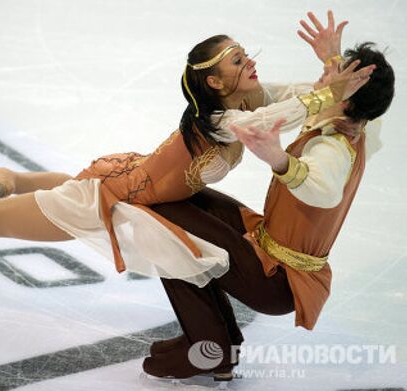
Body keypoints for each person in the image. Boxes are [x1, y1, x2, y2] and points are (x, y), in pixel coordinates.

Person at [0, 31, 371, 289]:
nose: (249, 62)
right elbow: (292, 112)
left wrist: (332, 70)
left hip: (126, 176)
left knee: (47, 193)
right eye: (236, 61)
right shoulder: (226, 121)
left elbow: (305, 97)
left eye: (246, 55)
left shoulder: (250, 99)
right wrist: (328, 90)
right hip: (113, 195)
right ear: (214, 82)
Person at [142, 33, 395, 382]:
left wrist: (279, 159)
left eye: (338, 84)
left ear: (349, 100)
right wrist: (333, 61)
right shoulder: (358, 122)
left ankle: (205, 349)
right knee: (177, 204)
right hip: (269, 245)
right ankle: (217, 343)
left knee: (164, 223)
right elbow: (342, 100)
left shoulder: (332, 147)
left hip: (277, 278)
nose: (325, 84)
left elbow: (325, 191)